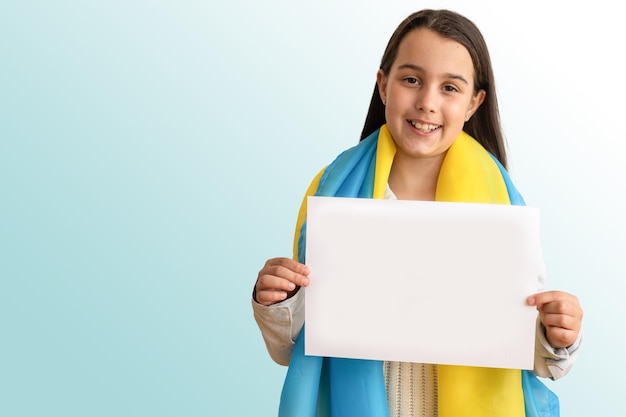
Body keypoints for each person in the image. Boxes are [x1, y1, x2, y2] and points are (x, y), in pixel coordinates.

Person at [252, 8, 583, 417]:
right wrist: (277, 301)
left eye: (450, 88)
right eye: (411, 80)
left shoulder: (502, 206)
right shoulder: (332, 190)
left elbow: (526, 349)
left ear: (473, 103)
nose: (427, 102)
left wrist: (557, 334)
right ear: (383, 85)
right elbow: (297, 346)